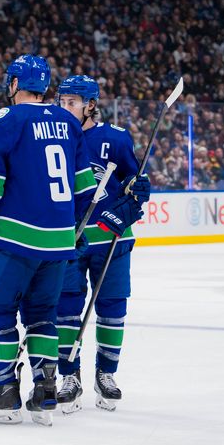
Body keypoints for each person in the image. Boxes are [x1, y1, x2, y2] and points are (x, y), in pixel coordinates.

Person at [0, 55, 98, 426]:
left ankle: (4, 389)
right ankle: (45, 390)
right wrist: (76, 231)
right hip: (58, 243)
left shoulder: (3, 121)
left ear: (14, 84)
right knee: (42, 316)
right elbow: (87, 190)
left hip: (17, 238)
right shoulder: (69, 123)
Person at [54, 75, 150, 413]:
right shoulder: (56, 138)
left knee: (112, 307)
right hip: (69, 240)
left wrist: (133, 203)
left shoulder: (116, 139)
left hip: (112, 240)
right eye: (61, 102)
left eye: (71, 103)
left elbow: (134, 188)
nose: (63, 109)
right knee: (65, 310)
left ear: (90, 105)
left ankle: (106, 374)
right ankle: (69, 376)